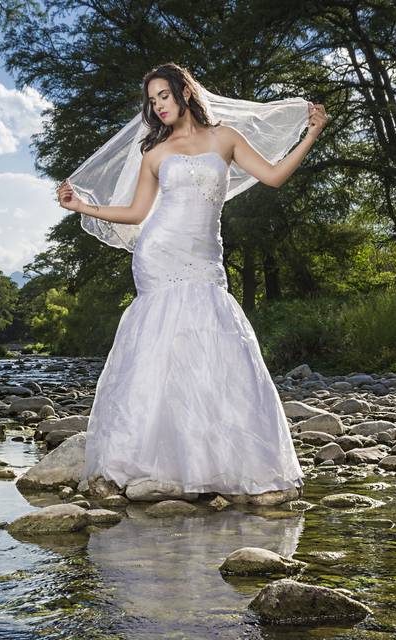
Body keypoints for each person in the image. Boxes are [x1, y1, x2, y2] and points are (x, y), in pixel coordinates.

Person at [55, 62, 329, 498]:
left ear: (185, 91)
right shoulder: (155, 153)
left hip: (204, 257)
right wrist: (82, 207)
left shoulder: (225, 138)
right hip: (158, 255)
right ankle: (144, 458)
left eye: (164, 96)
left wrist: (310, 134)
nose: (158, 106)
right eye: (152, 101)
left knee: (213, 342)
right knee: (159, 345)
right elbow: (136, 213)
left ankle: (213, 458)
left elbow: (274, 177)